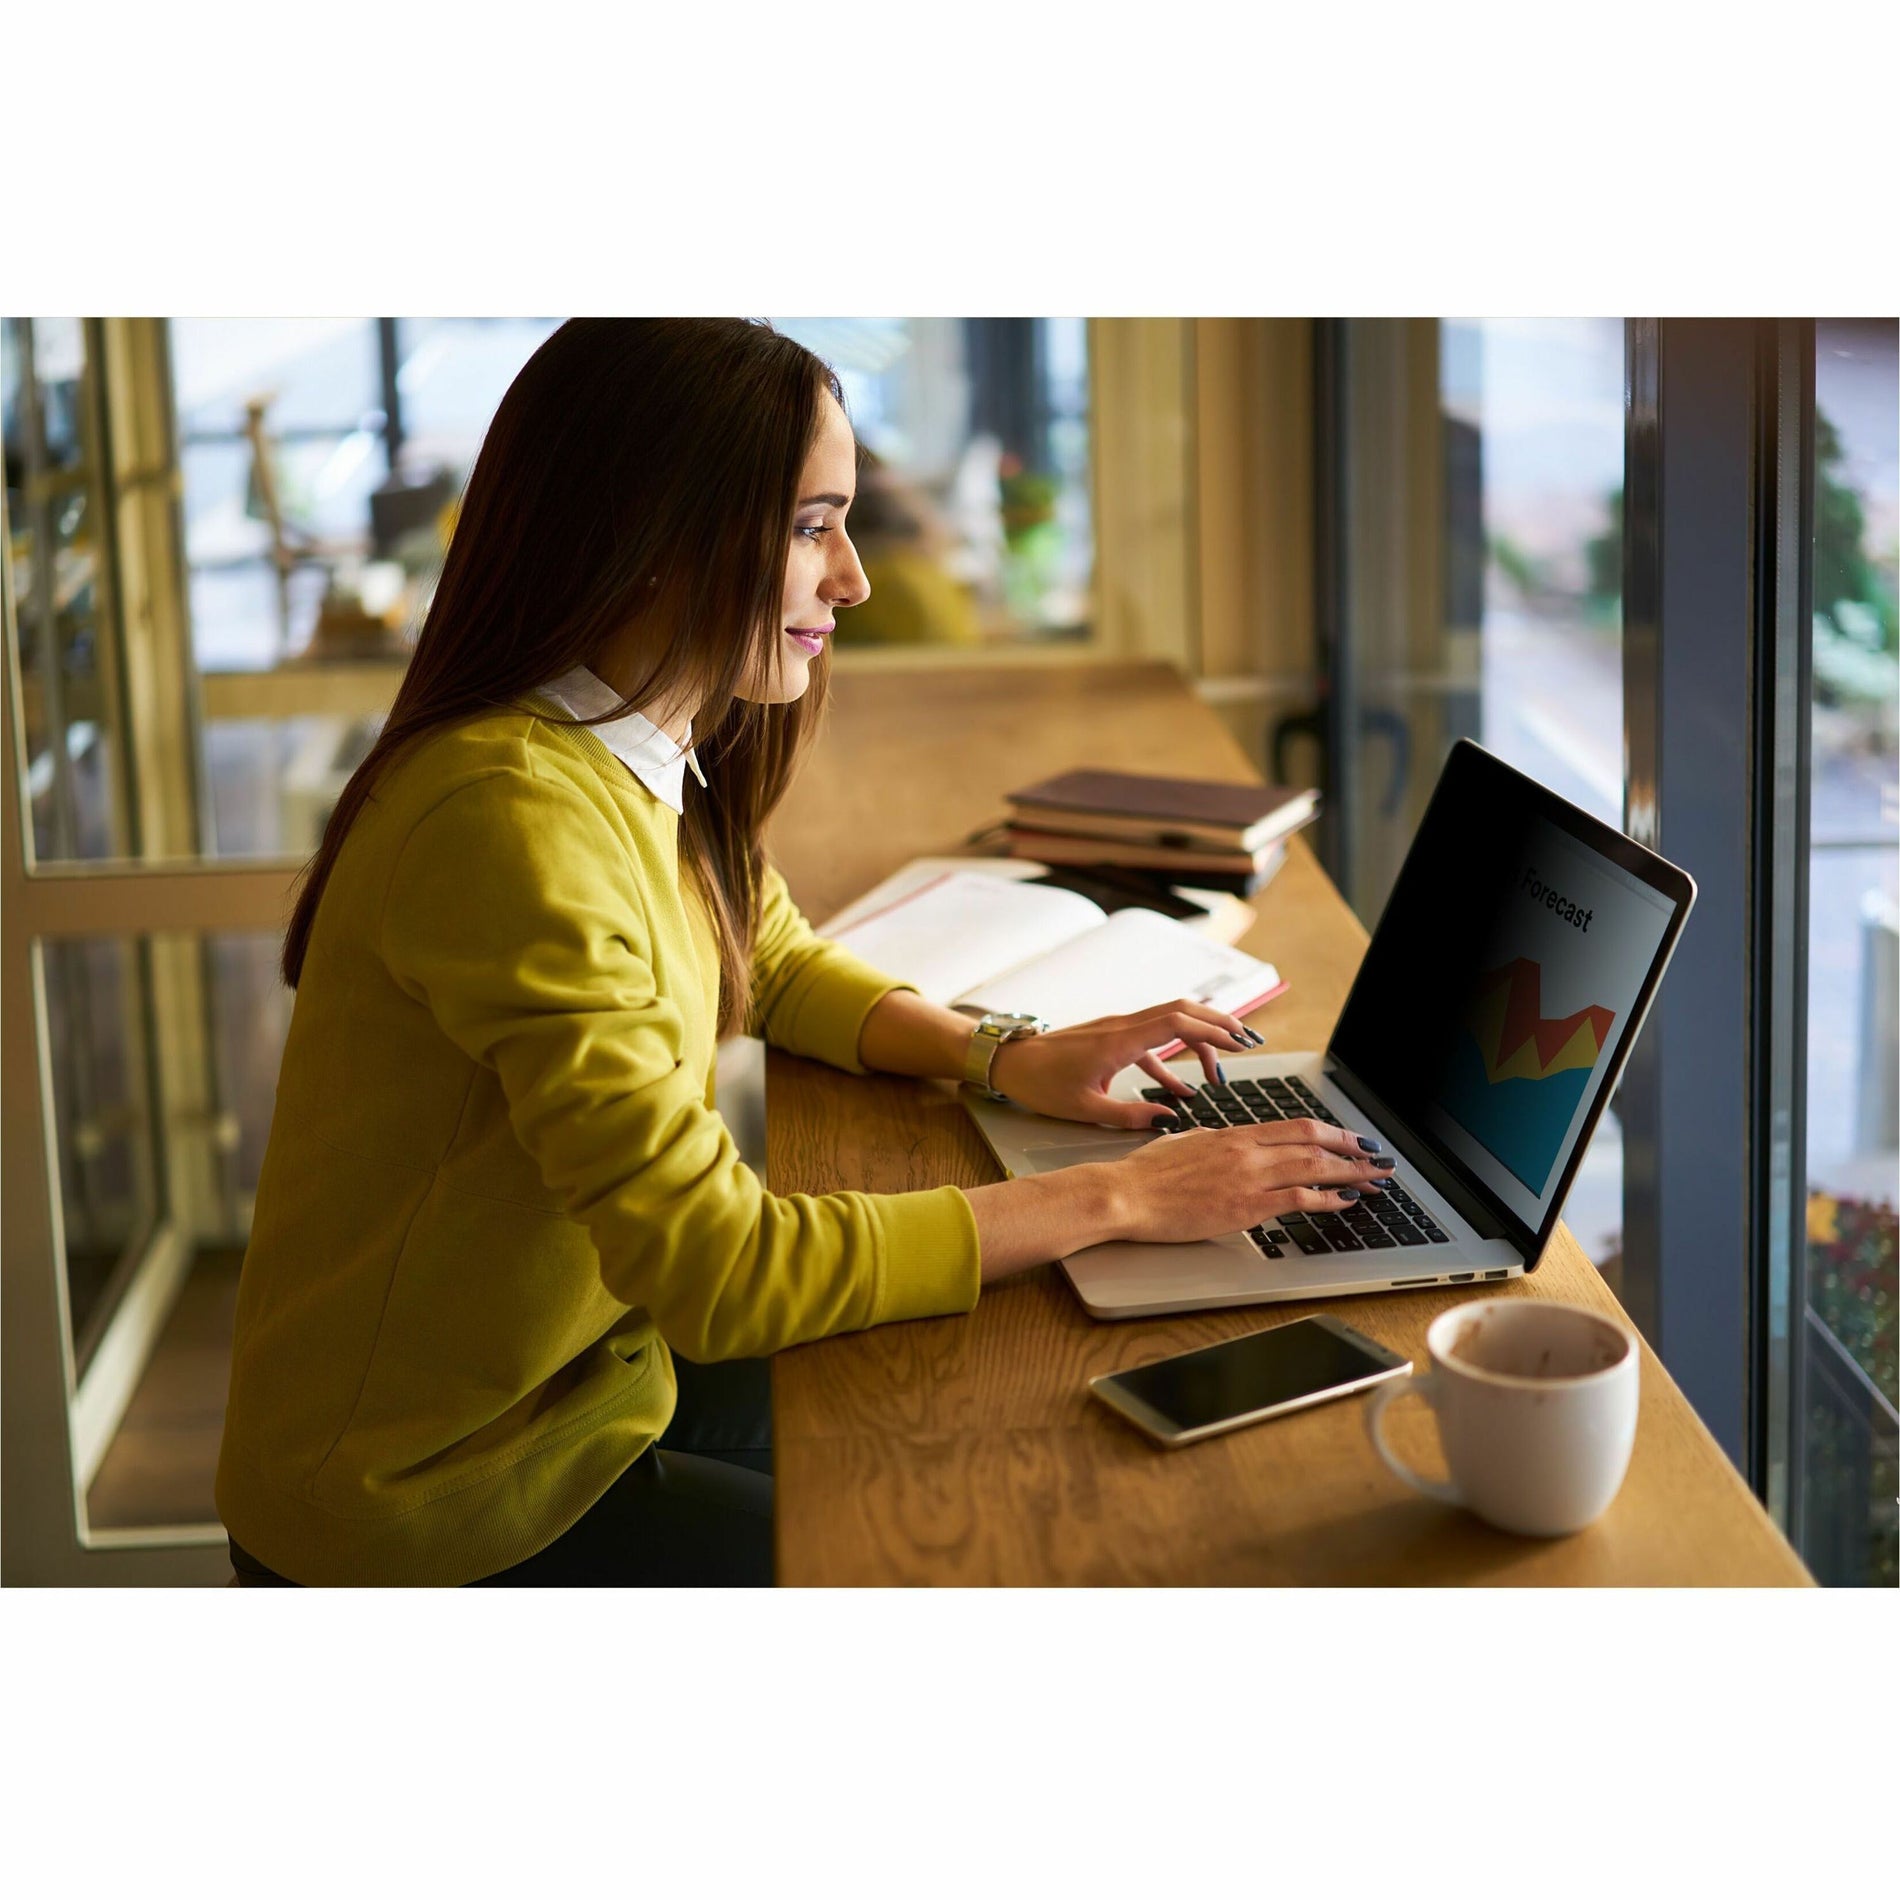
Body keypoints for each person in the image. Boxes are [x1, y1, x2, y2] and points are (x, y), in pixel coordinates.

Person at [214, 319, 1392, 1587]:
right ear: (652, 534)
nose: (854, 579)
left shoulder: (628, 739)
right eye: (807, 526)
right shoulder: (509, 819)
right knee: (948, 1530)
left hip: (588, 1373)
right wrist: (1118, 1196)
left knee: (970, 1423)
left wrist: (1005, 1057)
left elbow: (762, 951)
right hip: (429, 1498)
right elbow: (723, 1273)